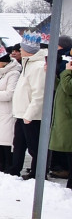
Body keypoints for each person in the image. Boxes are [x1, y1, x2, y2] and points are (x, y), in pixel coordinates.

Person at [10, 33, 47, 179]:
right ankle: (14, 170)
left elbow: (39, 93)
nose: (19, 49)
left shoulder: (38, 67)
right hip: (21, 112)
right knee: (18, 144)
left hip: (31, 115)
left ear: (28, 50)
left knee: (34, 147)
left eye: (22, 47)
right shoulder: (27, 64)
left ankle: (38, 174)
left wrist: (30, 114)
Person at [50, 56, 72, 189]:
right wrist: (52, 76)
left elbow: (69, 88)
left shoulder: (68, 73)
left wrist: (67, 72)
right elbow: (61, 87)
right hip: (65, 118)